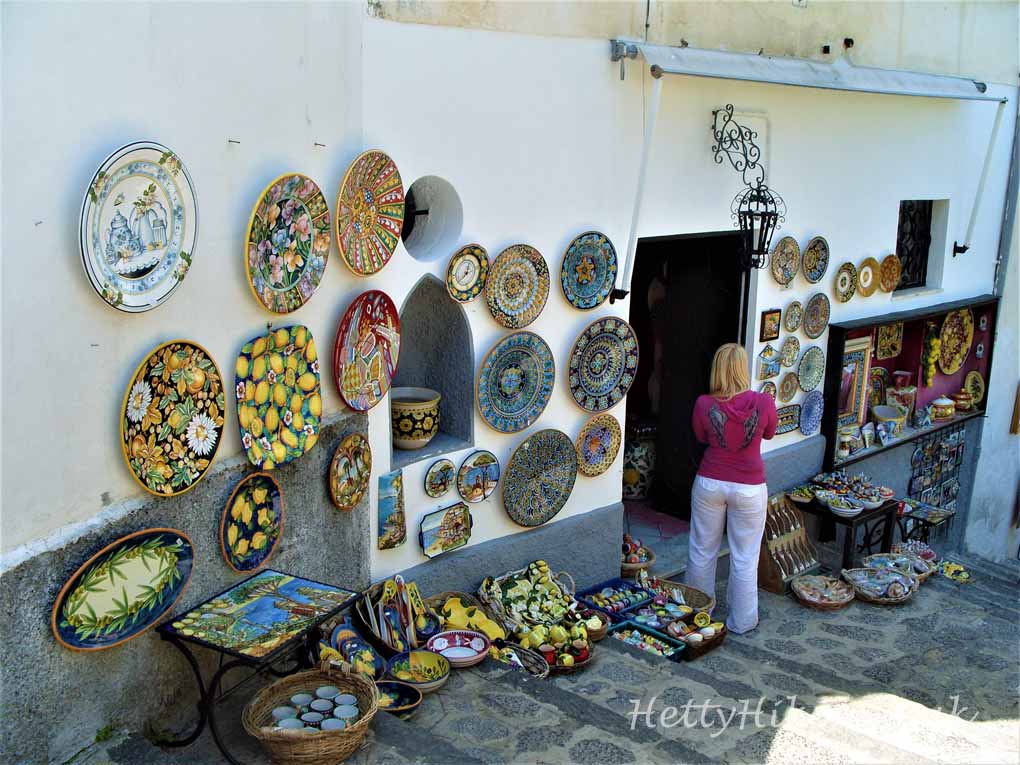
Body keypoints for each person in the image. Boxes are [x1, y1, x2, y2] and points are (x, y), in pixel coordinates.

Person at [686, 343, 777, 634]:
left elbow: (701, 437)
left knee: (702, 550)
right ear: (742, 369)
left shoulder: (704, 404)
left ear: (718, 370)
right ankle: (743, 621)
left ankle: (697, 613)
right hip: (750, 486)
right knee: (745, 556)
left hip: (710, 481)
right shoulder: (764, 402)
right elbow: (770, 432)